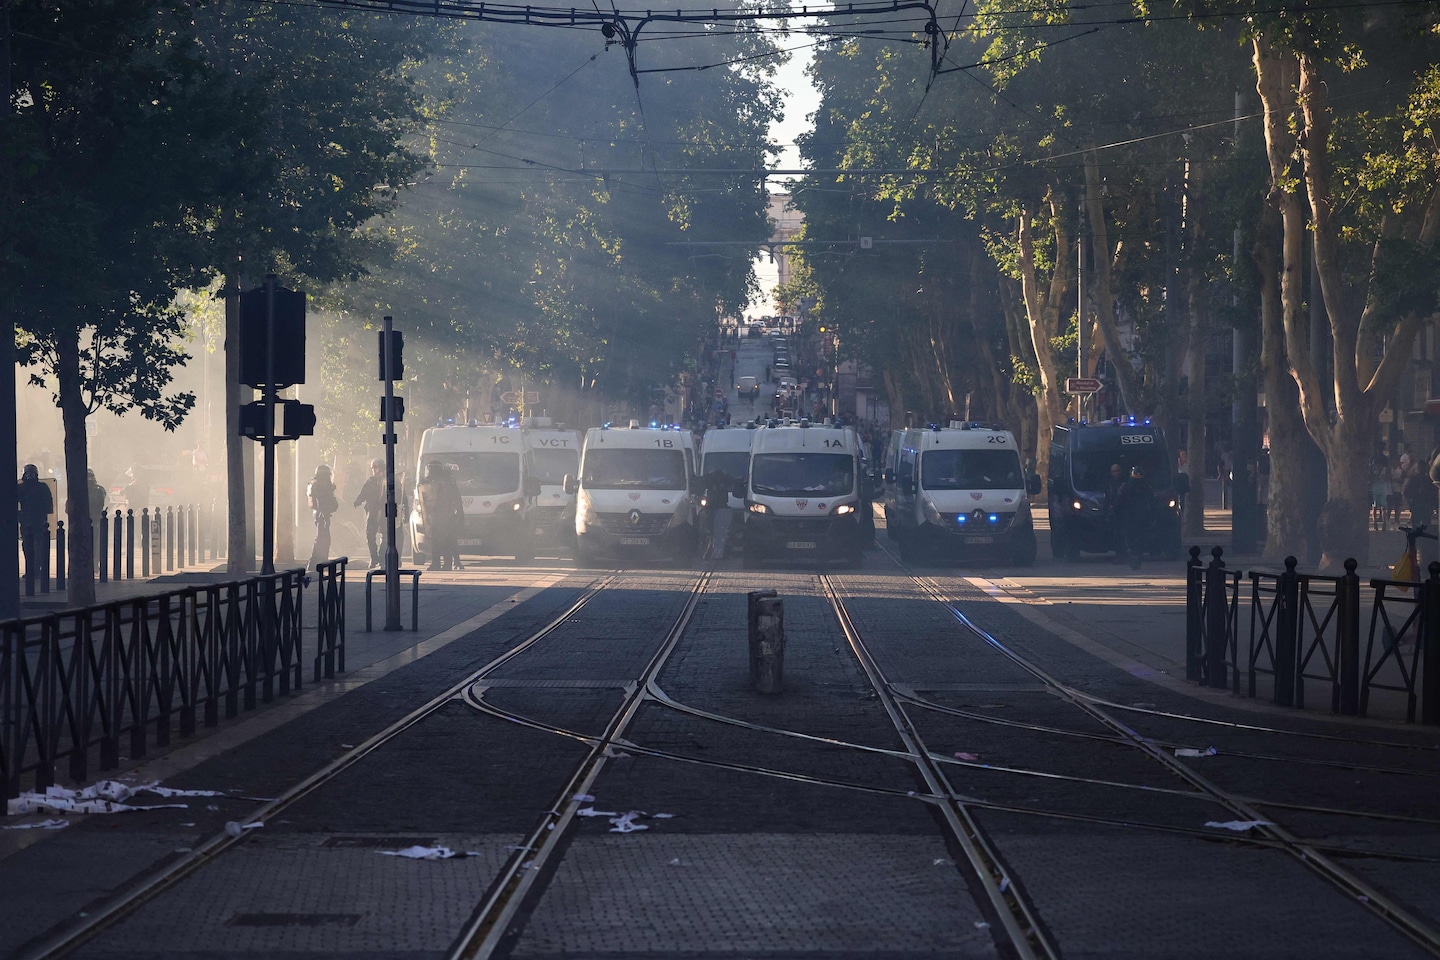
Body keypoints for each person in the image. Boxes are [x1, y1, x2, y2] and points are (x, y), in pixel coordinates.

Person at [418, 461, 463, 571]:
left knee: (443, 541)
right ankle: (439, 564)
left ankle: (442, 564)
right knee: (438, 542)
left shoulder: (445, 484)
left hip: (443, 517)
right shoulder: (443, 483)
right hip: (439, 517)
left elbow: (454, 500)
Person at [17, 464, 53, 588]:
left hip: (29, 521)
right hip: (36, 520)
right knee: (36, 545)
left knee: (30, 545)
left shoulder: (21, 487)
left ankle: (33, 569)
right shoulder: (42, 487)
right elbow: (49, 506)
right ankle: (35, 569)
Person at [1114, 466, 1156, 570]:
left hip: (1139, 519)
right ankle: (1134, 556)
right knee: (1132, 540)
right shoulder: (1127, 488)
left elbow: (1152, 504)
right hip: (1131, 519)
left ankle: (1135, 556)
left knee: (1136, 540)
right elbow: (1118, 504)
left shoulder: (1145, 488)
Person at [353, 458, 386, 567]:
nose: (374, 470)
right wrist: (357, 502)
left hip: (384, 512)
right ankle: (374, 557)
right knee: (370, 535)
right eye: (373, 468)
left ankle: (382, 557)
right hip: (372, 512)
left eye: (376, 468)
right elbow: (363, 494)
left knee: (385, 535)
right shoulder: (370, 482)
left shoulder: (388, 481)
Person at [307, 464, 339, 568]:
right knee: (322, 538)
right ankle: (315, 562)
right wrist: (324, 514)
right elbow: (322, 501)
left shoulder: (315, 484)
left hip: (320, 513)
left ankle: (320, 561)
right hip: (322, 514)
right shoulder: (320, 485)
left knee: (323, 538)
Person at [1102, 462, 1125, 557]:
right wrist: (1105, 513)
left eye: (1118, 471)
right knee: (1116, 534)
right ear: (1111, 473)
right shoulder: (1109, 484)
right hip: (1114, 513)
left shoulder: (1126, 483)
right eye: (1114, 471)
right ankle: (1119, 554)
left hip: (1125, 513)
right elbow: (1107, 498)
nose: (1117, 473)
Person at [1175, 449, 1190, 515]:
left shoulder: (1188, 465)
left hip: (1185, 483)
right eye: (1181, 455)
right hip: (1179, 483)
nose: (1183, 457)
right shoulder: (1177, 464)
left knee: (1183, 498)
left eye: (1184, 455)